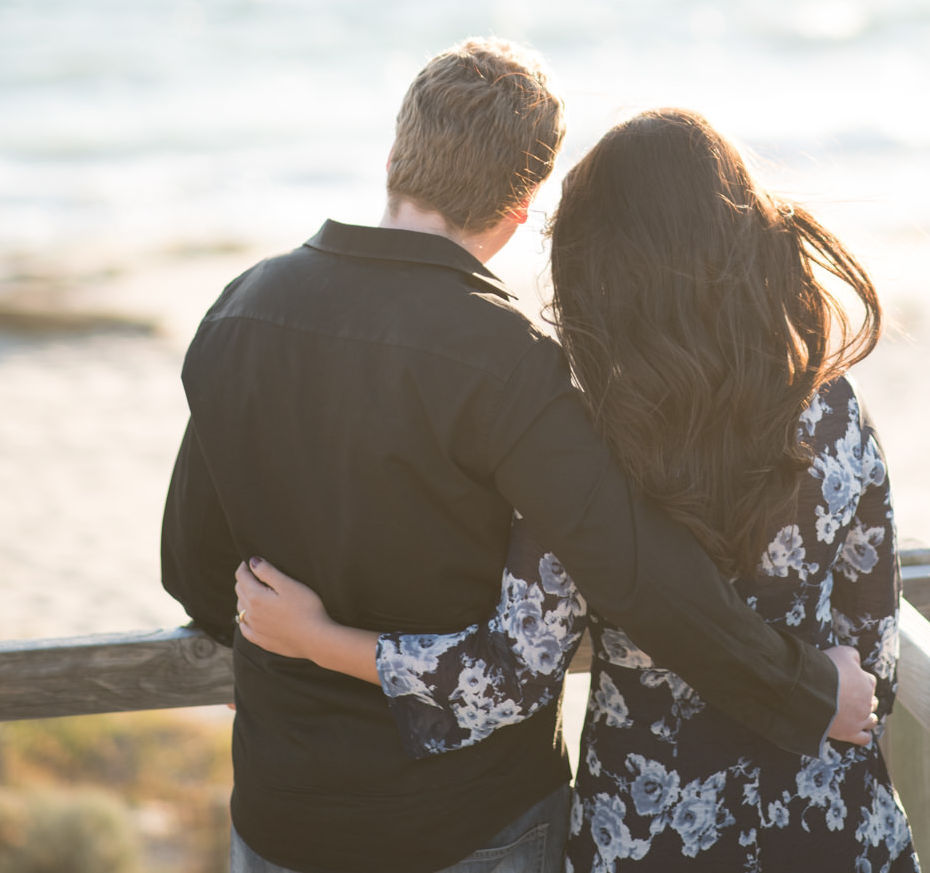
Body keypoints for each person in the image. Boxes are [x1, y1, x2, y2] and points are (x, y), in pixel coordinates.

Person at [161, 46, 876, 873]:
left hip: (282, 815)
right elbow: (637, 574)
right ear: (527, 203)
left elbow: (194, 568)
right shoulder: (510, 359)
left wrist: (303, 643)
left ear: (396, 155)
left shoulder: (242, 309)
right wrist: (803, 692)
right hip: (467, 824)